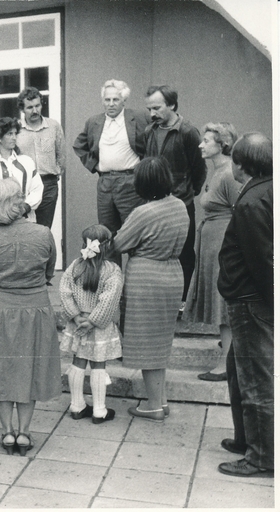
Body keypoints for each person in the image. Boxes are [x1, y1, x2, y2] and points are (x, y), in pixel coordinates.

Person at [0, 178, 61, 455]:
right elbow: (49, 272)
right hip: (35, 306)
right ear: (20, 202)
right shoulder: (43, 234)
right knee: (29, 368)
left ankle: (7, 431)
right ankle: (24, 432)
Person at [112, 157, 188, 422]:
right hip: (173, 273)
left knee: (147, 344)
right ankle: (161, 401)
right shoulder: (179, 205)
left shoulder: (143, 213)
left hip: (146, 277)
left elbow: (120, 243)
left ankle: (154, 405)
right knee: (160, 342)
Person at [217, 132, 273, 478]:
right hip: (252, 300)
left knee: (254, 380)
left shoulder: (253, 201)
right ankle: (246, 440)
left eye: (233, 160)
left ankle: (262, 456)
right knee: (239, 372)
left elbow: (261, 260)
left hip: (251, 302)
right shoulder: (265, 191)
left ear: (242, 165)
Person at [182, 123, 240, 381]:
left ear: (222, 144)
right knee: (220, 303)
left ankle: (226, 364)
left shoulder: (229, 174)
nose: (200, 145)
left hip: (224, 246)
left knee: (223, 304)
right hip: (212, 245)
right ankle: (228, 353)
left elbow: (242, 212)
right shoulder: (216, 172)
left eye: (206, 141)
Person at [144, 85, 206, 302]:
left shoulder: (187, 132)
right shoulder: (150, 131)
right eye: (149, 109)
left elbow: (199, 169)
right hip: (155, 204)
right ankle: (164, 298)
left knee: (184, 253)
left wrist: (187, 192)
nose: (152, 113)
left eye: (157, 108)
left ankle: (183, 301)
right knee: (159, 251)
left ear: (171, 104)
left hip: (181, 204)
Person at [60, 225, 123, 425]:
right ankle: (99, 410)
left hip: (78, 323)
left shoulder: (75, 266)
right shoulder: (112, 270)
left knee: (78, 361)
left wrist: (76, 316)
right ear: (108, 245)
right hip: (99, 326)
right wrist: (93, 321)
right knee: (98, 364)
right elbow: (109, 300)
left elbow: (64, 291)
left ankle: (76, 405)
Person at [73, 79, 149, 239]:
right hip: (105, 184)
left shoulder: (139, 117)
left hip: (130, 182)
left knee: (132, 231)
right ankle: (110, 258)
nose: (111, 104)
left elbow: (153, 141)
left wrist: (145, 169)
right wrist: (95, 165)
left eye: (116, 99)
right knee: (106, 232)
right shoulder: (94, 122)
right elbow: (79, 145)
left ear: (124, 101)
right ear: (103, 101)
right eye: (107, 100)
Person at [16, 87, 66, 229]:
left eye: (37, 106)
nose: (35, 111)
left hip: (48, 185)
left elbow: (61, 154)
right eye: (29, 107)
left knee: (44, 228)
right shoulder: (16, 128)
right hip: (24, 186)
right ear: (22, 109)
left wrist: (55, 173)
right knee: (24, 228)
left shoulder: (53, 126)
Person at [0, 117, 42, 222]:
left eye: (15, 133)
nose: (14, 138)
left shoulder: (27, 162)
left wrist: (23, 208)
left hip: (25, 221)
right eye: (10, 134)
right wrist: (1, 214)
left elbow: (37, 189)